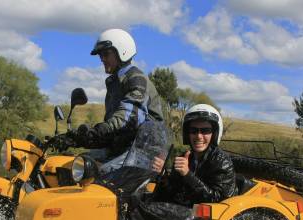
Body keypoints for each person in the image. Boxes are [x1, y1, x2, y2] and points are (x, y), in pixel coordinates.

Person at [70, 28, 164, 172]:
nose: (102, 59)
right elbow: (114, 132)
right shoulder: (115, 83)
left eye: (106, 53)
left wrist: (99, 131)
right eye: (100, 55)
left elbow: (128, 117)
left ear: (122, 52)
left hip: (142, 151)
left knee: (96, 173)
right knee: (72, 163)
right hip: (122, 148)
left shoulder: (136, 79)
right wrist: (76, 139)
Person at [152, 104, 236, 206]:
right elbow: (172, 194)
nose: (199, 136)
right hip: (183, 212)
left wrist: (187, 174)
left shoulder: (222, 162)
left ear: (214, 134)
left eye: (205, 131)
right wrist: (163, 175)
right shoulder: (183, 158)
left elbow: (218, 200)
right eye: (193, 130)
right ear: (188, 133)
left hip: (205, 219)